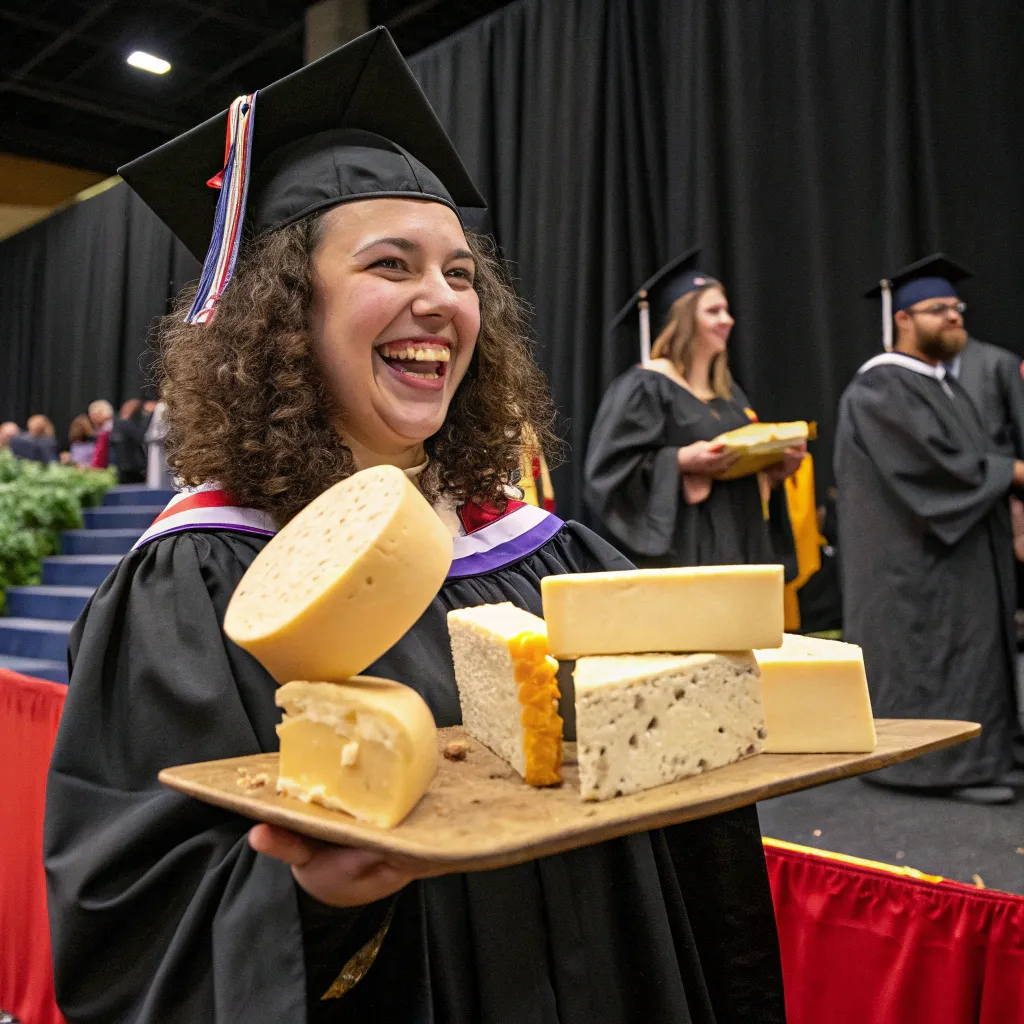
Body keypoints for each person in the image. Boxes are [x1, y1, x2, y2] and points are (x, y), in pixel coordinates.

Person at [44, 29, 785, 1024]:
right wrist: (313, 901)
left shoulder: (543, 548)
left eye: (461, 273)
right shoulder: (200, 584)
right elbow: (130, 920)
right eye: (390, 264)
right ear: (283, 314)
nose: (438, 300)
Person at [835, 254, 1024, 804]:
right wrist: (1010, 472)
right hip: (912, 560)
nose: (953, 317)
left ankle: (982, 755)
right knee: (932, 653)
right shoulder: (884, 386)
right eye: (937, 309)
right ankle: (935, 769)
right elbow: (935, 466)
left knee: (971, 649)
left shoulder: (938, 383)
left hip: (951, 549)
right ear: (903, 319)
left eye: (957, 308)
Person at [584, 248, 802, 572]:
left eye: (726, 310)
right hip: (684, 556)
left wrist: (775, 469)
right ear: (684, 320)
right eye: (713, 311)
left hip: (741, 546)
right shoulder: (645, 388)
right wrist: (681, 461)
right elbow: (608, 474)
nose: (727, 320)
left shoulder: (730, 395)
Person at [108, 398, 149, 484]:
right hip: (132, 468)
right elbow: (140, 440)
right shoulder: (127, 425)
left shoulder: (118, 425)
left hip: (122, 467)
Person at [88, 399, 115, 469]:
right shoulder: (105, 430)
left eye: (92, 414)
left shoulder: (106, 431)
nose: (91, 419)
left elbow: (100, 457)